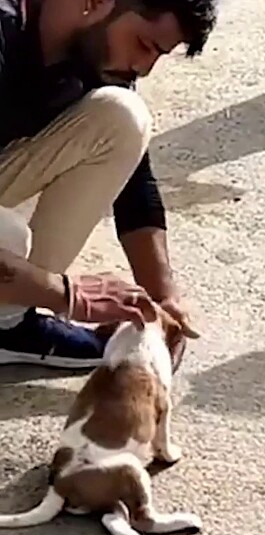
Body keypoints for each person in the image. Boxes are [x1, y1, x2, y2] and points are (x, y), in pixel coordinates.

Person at [0, 0, 217, 369]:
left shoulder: (92, 53)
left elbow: (135, 182)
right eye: (145, 45)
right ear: (95, 2)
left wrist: (163, 301)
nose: (144, 68)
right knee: (8, 235)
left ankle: (7, 321)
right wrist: (68, 296)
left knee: (123, 117)